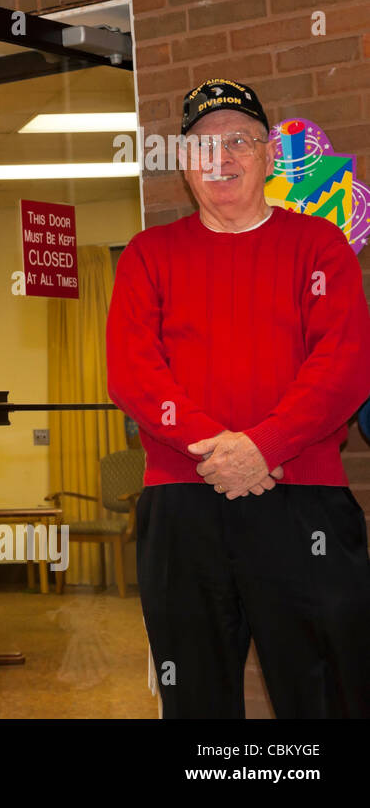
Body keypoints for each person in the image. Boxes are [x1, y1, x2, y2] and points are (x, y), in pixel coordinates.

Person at [107, 78, 370, 718]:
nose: (218, 158)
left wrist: (265, 446)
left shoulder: (319, 246)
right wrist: (225, 454)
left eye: (238, 141)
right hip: (183, 506)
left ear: (270, 155)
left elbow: (343, 366)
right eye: (199, 145)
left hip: (303, 503)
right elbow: (135, 372)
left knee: (328, 696)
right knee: (196, 702)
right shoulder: (149, 255)